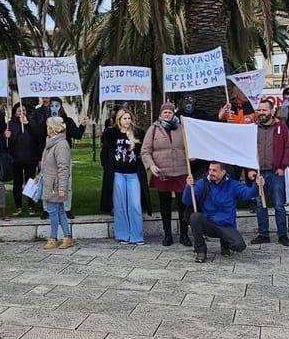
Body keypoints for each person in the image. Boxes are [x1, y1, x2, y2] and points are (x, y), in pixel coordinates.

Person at [183, 163, 264, 262]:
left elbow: (248, 194)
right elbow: (187, 201)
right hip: (209, 223)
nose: (211, 173)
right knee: (195, 217)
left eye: (214, 170)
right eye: (210, 170)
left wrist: (257, 185)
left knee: (239, 246)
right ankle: (200, 251)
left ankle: (225, 244)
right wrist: (188, 187)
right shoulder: (202, 183)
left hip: (226, 225)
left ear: (223, 172)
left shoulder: (233, 184)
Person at [141, 102, 191, 247]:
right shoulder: (153, 129)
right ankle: (167, 234)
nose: (167, 114)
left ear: (174, 113)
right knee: (165, 204)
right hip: (162, 171)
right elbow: (145, 151)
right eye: (165, 112)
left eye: (170, 112)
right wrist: (151, 165)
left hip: (181, 171)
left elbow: (190, 145)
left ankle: (184, 234)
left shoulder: (182, 128)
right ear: (161, 114)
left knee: (183, 204)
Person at [99, 108, 151, 244]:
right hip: (118, 174)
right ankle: (123, 234)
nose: (127, 121)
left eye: (129, 118)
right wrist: (108, 167)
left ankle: (137, 235)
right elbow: (105, 154)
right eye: (124, 118)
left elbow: (144, 152)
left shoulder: (138, 134)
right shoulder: (111, 134)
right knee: (120, 205)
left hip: (133, 174)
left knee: (135, 204)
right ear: (119, 120)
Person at [249, 99, 289, 247]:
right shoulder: (252, 128)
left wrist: (283, 166)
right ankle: (263, 234)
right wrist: (250, 169)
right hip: (259, 173)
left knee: (279, 205)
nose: (261, 113)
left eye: (264, 110)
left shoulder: (281, 127)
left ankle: (283, 235)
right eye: (259, 110)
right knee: (260, 204)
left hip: (275, 173)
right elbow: (247, 149)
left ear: (272, 111)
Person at [40, 116, 73, 249]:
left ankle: (54, 237)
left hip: (55, 185)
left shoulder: (61, 145)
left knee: (53, 211)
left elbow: (63, 167)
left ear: (53, 129)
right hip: (49, 182)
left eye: (48, 127)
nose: (47, 129)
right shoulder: (51, 143)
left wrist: (62, 187)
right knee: (59, 211)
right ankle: (67, 237)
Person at [7, 104, 43, 215]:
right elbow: (7, 143)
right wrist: (6, 136)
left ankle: (31, 206)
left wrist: (27, 124)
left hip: (30, 157)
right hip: (16, 158)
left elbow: (38, 138)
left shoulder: (31, 123)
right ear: (15, 112)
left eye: (23, 110)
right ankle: (18, 206)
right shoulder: (10, 124)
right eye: (19, 111)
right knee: (17, 183)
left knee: (30, 182)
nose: (22, 113)